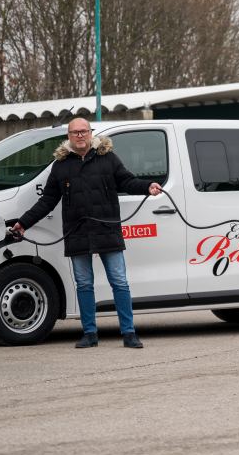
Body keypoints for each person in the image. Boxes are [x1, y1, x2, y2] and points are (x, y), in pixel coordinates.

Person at [13, 117, 162, 349]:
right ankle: (90, 333)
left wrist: (147, 186)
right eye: (75, 132)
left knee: (119, 282)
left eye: (84, 131)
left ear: (91, 133)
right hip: (77, 232)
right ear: (69, 136)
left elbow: (127, 181)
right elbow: (48, 200)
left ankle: (129, 332)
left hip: (107, 229)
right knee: (83, 284)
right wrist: (24, 223)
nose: (80, 135)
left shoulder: (108, 158)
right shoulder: (61, 165)